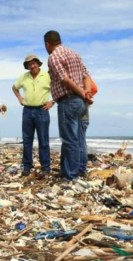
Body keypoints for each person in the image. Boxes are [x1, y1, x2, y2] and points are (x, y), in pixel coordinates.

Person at [44, 30, 93, 181]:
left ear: (47, 44)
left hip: (69, 100)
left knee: (69, 140)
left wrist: (81, 93)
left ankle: (71, 176)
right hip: (80, 101)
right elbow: (86, 76)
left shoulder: (54, 57)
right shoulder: (74, 54)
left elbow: (64, 79)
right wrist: (87, 93)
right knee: (78, 138)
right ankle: (77, 170)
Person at [11, 54, 54, 177]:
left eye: (34, 63)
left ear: (38, 63)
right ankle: (27, 167)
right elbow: (14, 88)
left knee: (43, 141)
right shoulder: (24, 77)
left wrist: (52, 101)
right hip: (27, 111)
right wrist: (19, 97)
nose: (32, 65)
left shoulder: (47, 75)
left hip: (42, 110)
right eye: (29, 64)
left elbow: (57, 88)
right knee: (27, 141)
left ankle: (46, 168)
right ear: (27, 66)